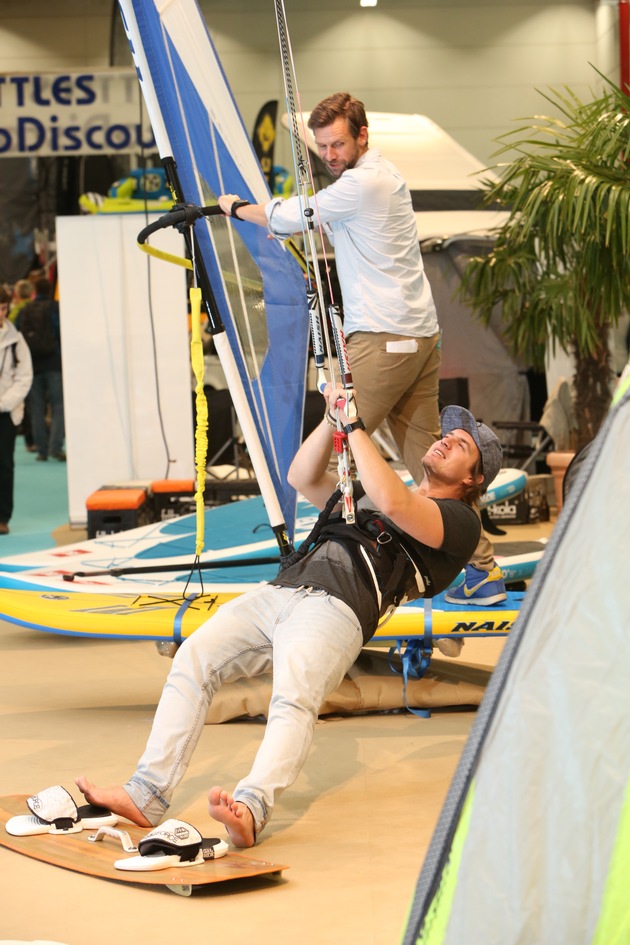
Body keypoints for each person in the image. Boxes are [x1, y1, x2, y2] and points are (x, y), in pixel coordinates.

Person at [76, 389, 502, 847]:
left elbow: (397, 504)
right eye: (446, 435)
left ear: (473, 480)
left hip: (337, 610)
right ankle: (146, 793)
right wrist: (331, 417)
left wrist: (355, 425)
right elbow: (301, 474)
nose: (443, 441)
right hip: (281, 592)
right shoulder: (367, 495)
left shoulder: (460, 523)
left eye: (459, 445)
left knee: (293, 698)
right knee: (194, 658)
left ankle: (252, 808)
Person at [217, 91, 505, 606]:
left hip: (385, 340)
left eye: (338, 144)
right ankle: (481, 572)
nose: (328, 154)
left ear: (363, 137)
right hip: (416, 336)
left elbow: (293, 216)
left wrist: (236, 208)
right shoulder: (377, 176)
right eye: (322, 146)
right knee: (426, 462)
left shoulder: (364, 181)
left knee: (316, 464)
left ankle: (337, 560)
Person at [16, 276, 66, 462]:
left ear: (35, 291)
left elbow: (17, 334)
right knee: (58, 407)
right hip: (54, 364)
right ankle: (55, 447)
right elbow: (62, 332)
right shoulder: (54, 308)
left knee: (36, 410)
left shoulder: (26, 310)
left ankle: (42, 451)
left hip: (33, 365)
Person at [0, 287, 33, 535]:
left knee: (4, 465)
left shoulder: (16, 339)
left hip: (6, 413)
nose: (0, 313)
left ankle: (2, 518)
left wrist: (5, 403)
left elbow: (24, 377)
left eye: (3, 308)